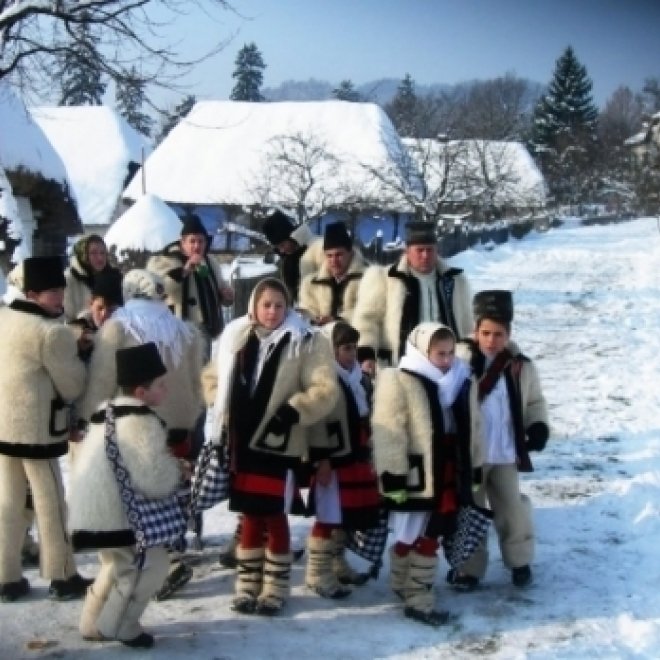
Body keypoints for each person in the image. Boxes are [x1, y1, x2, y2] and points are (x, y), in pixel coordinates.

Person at [207, 277, 338, 615]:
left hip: (280, 442)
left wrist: (294, 410)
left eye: (279, 305)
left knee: (275, 515)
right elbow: (213, 376)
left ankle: (276, 587)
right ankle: (247, 585)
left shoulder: (307, 340)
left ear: (289, 307)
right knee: (250, 514)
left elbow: (324, 389)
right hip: (243, 441)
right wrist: (222, 405)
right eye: (266, 305)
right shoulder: (239, 336)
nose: (272, 312)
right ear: (254, 306)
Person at [75, 269, 206, 599]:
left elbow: (102, 380)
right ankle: (171, 551)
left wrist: (88, 418)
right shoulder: (185, 331)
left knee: (138, 497)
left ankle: (155, 565)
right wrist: (190, 418)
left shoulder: (119, 327)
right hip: (179, 423)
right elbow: (195, 381)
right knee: (169, 492)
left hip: (135, 423)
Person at [68, 343, 183, 649]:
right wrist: (179, 472)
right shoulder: (141, 422)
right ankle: (121, 625)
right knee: (151, 565)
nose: (166, 388)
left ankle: (92, 622)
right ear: (142, 393)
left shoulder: (105, 414)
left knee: (115, 565)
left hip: (93, 513)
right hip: (118, 515)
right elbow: (154, 479)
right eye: (160, 384)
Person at [372, 322, 475, 626]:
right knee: (410, 531)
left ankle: (415, 592)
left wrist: (473, 466)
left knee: (432, 532)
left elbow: (471, 426)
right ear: (421, 351)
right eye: (438, 354)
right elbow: (389, 430)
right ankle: (411, 590)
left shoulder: (460, 378)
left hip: (447, 468)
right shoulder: (399, 379)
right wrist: (392, 473)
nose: (445, 360)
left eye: (449, 353)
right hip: (416, 473)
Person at [0, 256, 90, 602]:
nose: (60, 297)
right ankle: (62, 574)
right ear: (34, 293)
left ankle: (7, 575)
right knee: (50, 503)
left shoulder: (6, 317)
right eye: (53, 292)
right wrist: (81, 350)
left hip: (6, 427)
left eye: (61, 290)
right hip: (38, 430)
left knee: (8, 503)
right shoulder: (52, 332)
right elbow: (72, 384)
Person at [448, 290, 549, 590]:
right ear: (475, 330)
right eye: (486, 333)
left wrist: (538, 425)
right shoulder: (457, 363)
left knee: (511, 509)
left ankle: (520, 561)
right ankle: (469, 569)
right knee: (472, 511)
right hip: (473, 456)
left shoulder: (520, 366)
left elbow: (534, 401)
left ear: (509, 333)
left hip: (504, 453)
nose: (492, 340)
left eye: (499, 334)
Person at [305, 321, 381, 599]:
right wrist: (321, 459)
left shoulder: (359, 378)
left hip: (356, 455)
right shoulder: (324, 379)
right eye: (346, 348)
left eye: (354, 348)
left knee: (344, 515)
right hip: (332, 459)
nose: (352, 354)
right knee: (328, 513)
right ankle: (316, 571)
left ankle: (337, 563)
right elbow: (316, 423)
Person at [352, 221, 474, 373]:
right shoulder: (385, 279)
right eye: (420, 250)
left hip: (447, 364)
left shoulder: (455, 281)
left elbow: (467, 324)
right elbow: (367, 319)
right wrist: (366, 353)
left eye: (430, 250)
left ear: (437, 251)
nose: (425, 255)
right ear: (407, 252)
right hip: (401, 365)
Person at [147, 213, 234, 348]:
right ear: (183, 242)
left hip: (204, 328)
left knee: (203, 368)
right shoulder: (167, 261)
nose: (197, 246)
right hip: (176, 328)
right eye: (192, 241)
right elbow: (160, 290)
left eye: (201, 241)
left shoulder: (210, 262)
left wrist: (226, 295)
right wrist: (184, 271)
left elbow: (221, 288)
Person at [298, 221, 369, 326]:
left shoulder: (369, 279)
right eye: (329, 256)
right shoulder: (310, 285)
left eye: (339, 255)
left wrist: (338, 320)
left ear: (350, 253)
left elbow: (371, 310)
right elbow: (305, 313)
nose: (334, 261)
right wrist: (315, 320)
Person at [262, 210, 323, 304]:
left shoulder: (318, 248)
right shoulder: (289, 258)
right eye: (278, 247)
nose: (282, 250)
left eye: (282, 245)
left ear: (292, 237)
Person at [64, 234, 120, 321]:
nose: (100, 258)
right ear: (83, 255)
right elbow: (65, 318)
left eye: (103, 253)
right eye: (93, 253)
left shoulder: (113, 277)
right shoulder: (69, 280)